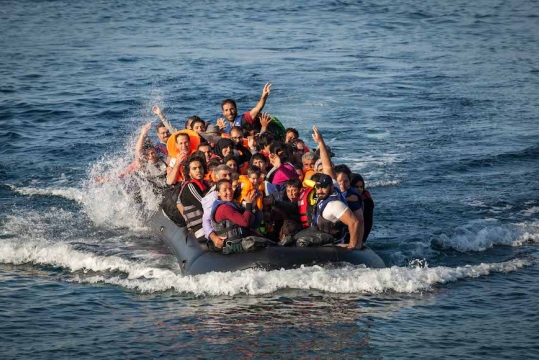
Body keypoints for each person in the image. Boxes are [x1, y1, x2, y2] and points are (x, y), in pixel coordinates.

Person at [311, 126, 364, 249]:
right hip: (319, 237)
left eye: (324, 188)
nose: (320, 191)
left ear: (330, 187)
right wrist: (320, 142)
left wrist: (352, 245)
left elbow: (355, 222)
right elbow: (327, 166)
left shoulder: (334, 205)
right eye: (318, 188)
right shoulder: (334, 185)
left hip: (332, 245)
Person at [211, 179, 261, 254]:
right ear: (218, 193)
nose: (229, 192)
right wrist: (249, 204)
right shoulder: (224, 208)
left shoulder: (232, 204)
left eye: (230, 188)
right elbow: (245, 222)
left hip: (240, 242)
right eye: (225, 190)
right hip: (233, 247)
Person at [178, 156, 210, 239]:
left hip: (211, 225)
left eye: (200, 167)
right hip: (201, 229)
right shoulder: (190, 187)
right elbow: (205, 206)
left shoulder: (206, 184)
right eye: (194, 168)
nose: (198, 170)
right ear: (189, 172)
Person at [201, 165, 233, 249]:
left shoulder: (237, 188)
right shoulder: (212, 197)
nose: (228, 178)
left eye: (230, 174)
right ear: (216, 178)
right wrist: (214, 238)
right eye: (224, 175)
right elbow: (206, 220)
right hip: (224, 236)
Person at [351, 174, 374, 242]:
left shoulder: (366, 200)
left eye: (361, 187)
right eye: (356, 187)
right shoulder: (345, 195)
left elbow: (368, 222)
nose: (359, 189)